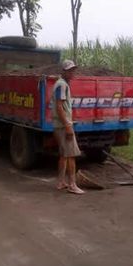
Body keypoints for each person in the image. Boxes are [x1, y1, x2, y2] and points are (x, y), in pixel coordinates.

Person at [51, 60, 84, 195]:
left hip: (60, 125)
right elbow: (59, 107)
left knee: (64, 155)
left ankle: (60, 182)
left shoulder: (61, 84)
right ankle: (72, 184)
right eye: (69, 70)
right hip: (63, 126)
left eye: (73, 70)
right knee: (71, 155)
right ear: (63, 71)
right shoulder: (62, 85)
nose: (72, 73)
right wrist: (68, 126)